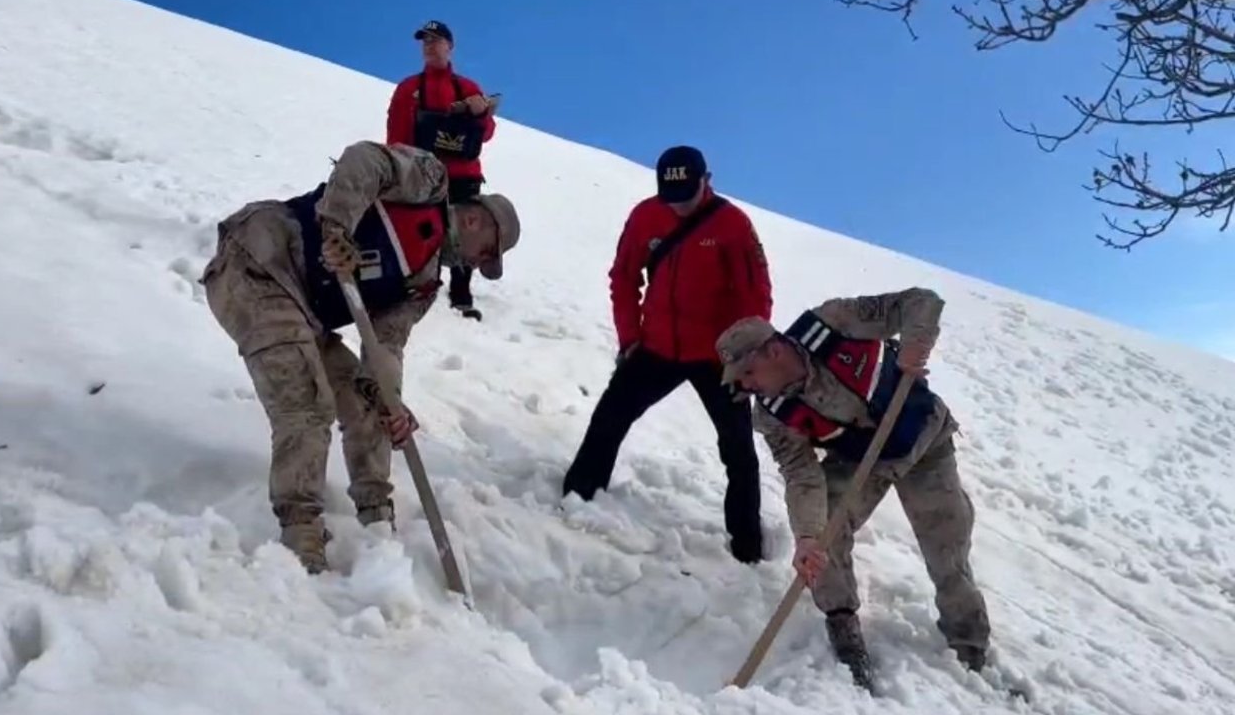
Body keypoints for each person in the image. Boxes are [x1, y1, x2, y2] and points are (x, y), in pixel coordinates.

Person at [199, 140, 521, 574]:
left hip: (306, 313)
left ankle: (376, 522)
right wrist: (338, 228)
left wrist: (390, 399)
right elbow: (364, 160)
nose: (478, 262)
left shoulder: (423, 286)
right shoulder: (428, 181)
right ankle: (302, 539)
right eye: (487, 251)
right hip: (258, 263)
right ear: (476, 217)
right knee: (308, 403)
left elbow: (385, 346)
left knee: (370, 406)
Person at [714, 287, 992, 692]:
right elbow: (802, 475)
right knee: (824, 530)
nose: (746, 386)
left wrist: (916, 341)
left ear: (773, 351)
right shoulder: (772, 415)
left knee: (947, 543)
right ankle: (842, 622)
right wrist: (808, 537)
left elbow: (920, 301)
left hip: (924, 440)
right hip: (863, 461)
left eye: (748, 373)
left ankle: (968, 640)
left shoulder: (834, 323)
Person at [561, 145, 773, 564]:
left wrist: (745, 359)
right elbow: (623, 277)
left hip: (718, 357)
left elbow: (756, 296)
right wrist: (629, 338)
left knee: (738, 450)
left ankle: (747, 548)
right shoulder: (646, 215)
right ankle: (575, 498)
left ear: (706, 181)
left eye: (687, 197)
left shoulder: (732, 225)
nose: (677, 207)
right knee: (609, 416)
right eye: (670, 198)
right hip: (656, 347)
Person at [386, 19, 500, 322]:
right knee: (425, 230)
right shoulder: (408, 88)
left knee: (466, 233)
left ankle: (461, 297)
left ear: (450, 46)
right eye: (425, 41)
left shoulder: (468, 88)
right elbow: (396, 136)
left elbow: (486, 133)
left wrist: (480, 113)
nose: (429, 45)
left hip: (464, 176)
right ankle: (424, 287)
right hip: (423, 174)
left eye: (436, 40)